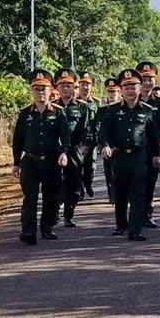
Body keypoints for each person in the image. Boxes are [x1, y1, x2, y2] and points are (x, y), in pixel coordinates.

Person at [99, 69, 160, 241]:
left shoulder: (147, 110)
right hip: (119, 156)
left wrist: (156, 155)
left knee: (138, 193)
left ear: (139, 88)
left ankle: (135, 229)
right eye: (126, 87)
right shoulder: (112, 110)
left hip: (139, 155)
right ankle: (121, 225)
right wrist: (105, 145)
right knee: (120, 191)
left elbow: (152, 135)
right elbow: (104, 131)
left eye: (133, 87)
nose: (130, 90)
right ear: (122, 90)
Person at [11, 69, 70, 244]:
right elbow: (18, 140)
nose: (40, 93)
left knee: (51, 197)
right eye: (36, 89)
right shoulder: (25, 114)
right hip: (30, 161)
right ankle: (28, 231)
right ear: (31, 91)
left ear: (50, 90)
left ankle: (47, 227)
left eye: (43, 89)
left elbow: (65, 135)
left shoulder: (58, 112)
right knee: (30, 197)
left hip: (51, 161)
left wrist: (64, 153)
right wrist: (16, 163)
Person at [55, 67, 93, 228]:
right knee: (55, 183)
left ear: (74, 87)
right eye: (62, 85)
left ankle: (69, 214)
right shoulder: (52, 107)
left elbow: (87, 129)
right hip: (56, 151)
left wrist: (85, 146)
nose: (65, 88)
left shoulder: (82, 106)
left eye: (68, 85)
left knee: (74, 185)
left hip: (75, 150)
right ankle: (55, 211)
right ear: (57, 88)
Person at [136, 61, 160, 229]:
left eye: (150, 79)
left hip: (152, 149)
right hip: (134, 149)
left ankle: (147, 214)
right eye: (144, 78)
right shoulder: (129, 100)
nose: (147, 82)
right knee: (134, 184)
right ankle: (134, 215)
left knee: (149, 183)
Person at [97, 77, 122, 203]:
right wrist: (102, 143)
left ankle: (120, 193)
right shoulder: (102, 108)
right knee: (108, 170)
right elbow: (99, 126)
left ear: (119, 93)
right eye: (109, 92)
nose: (112, 94)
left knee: (120, 170)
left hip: (120, 144)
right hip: (107, 143)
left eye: (114, 92)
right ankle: (111, 194)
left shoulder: (122, 107)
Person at [76, 72, 100, 199]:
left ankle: (88, 183)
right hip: (78, 140)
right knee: (77, 165)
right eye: (83, 84)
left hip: (92, 140)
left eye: (88, 84)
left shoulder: (96, 103)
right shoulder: (75, 103)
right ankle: (79, 189)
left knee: (91, 166)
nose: (85, 87)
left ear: (92, 87)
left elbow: (100, 122)